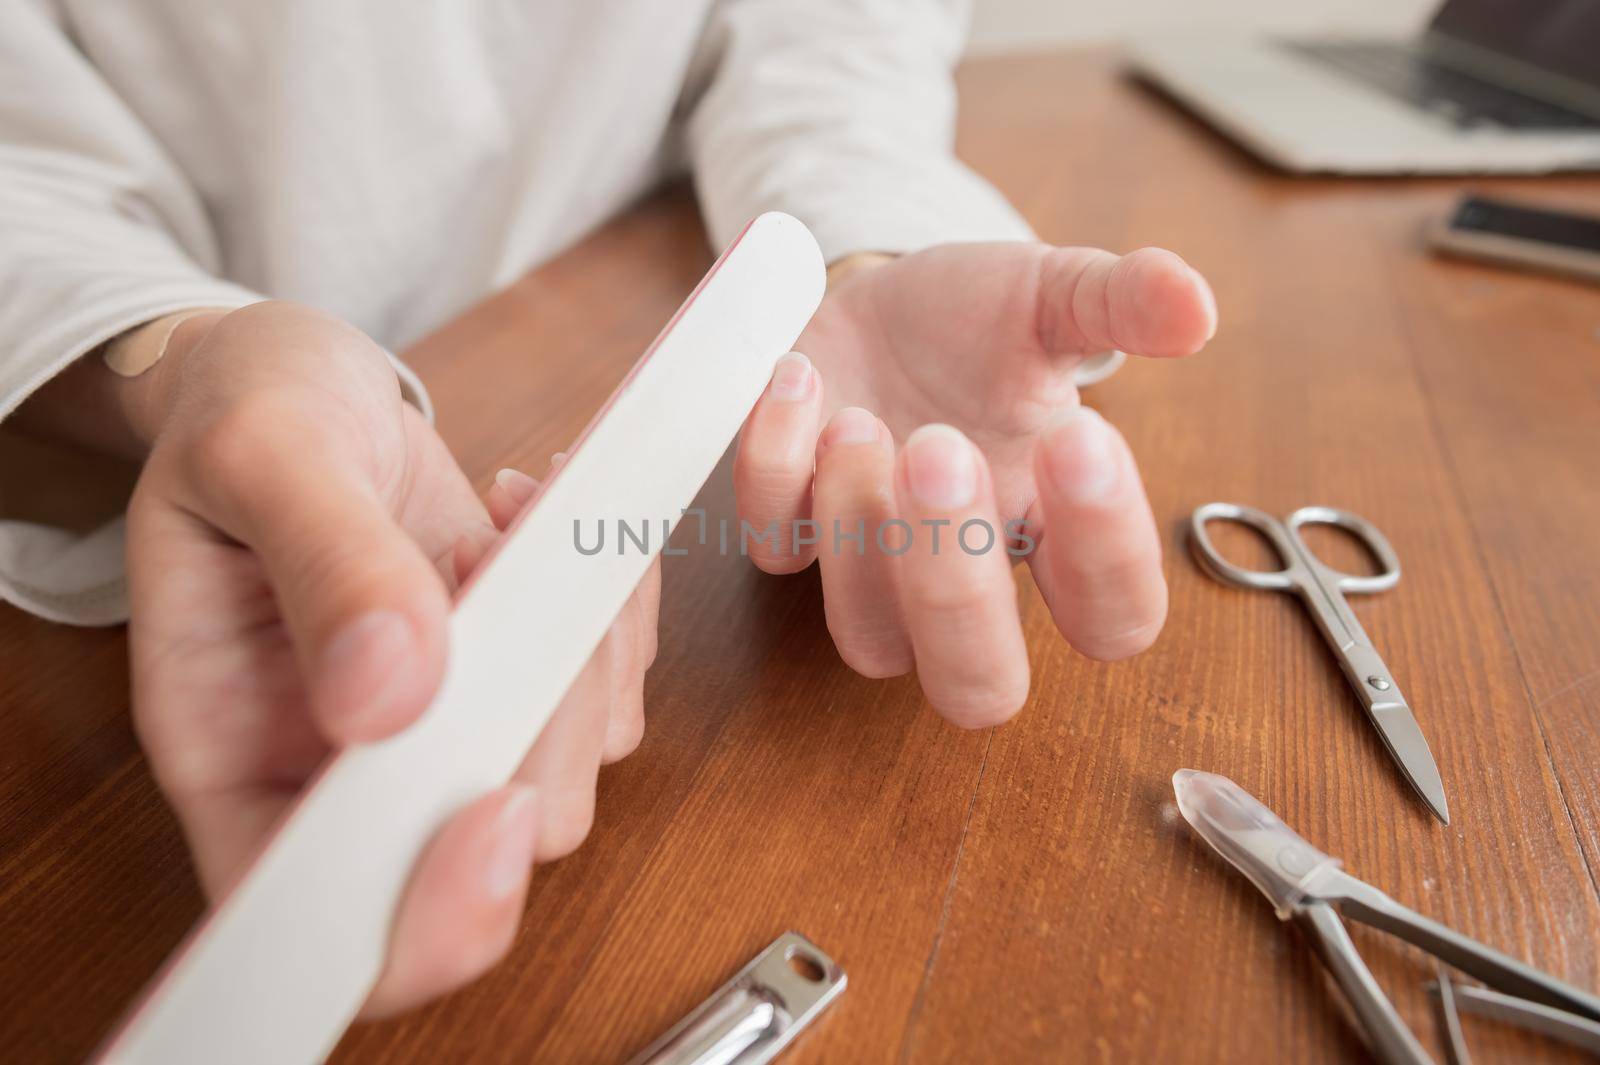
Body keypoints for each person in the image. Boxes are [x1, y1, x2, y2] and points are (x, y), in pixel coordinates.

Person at [0, 1, 1216, 1017]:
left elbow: (832, 52)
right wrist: (178, 359)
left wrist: (869, 252)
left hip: (596, 332)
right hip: (139, 513)